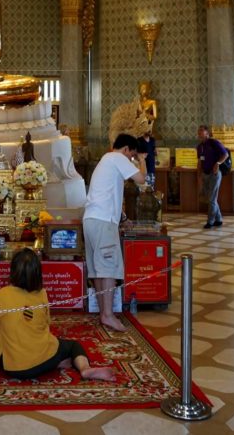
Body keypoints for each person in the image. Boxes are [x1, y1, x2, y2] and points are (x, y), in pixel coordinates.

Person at [0, 248, 115, 381]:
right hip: (43, 359)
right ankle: (84, 369)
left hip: (12, 369)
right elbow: (46, 322)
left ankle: (56, 363)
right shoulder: (42, 293)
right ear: (37, 273)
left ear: (12, 271)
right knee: (73, 346)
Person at [82, 133, 146, 332]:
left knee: (99, 269)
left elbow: (109, 194)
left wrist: (123, 218)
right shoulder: (118, 158)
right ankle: (108, 315)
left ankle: (104, 313)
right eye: (132, 156)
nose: (131, 160)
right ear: (126, 149)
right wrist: (142, 160)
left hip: (91, 219)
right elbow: (141, 179)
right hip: (102, 222)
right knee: (108, 268)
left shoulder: (105, 159)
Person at [197, 125, 229, 229]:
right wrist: (199, 176)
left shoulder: (214, 143)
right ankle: (219, 219)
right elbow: (199, 162)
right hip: (205, 174)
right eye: (199, 131)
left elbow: (225, 155)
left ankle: (210, 221)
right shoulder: (199, 147)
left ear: (207, 133)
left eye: (202, 130)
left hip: (214, 174)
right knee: (212, 198)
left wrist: (218, 163)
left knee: (211, 199)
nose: (199, 132)